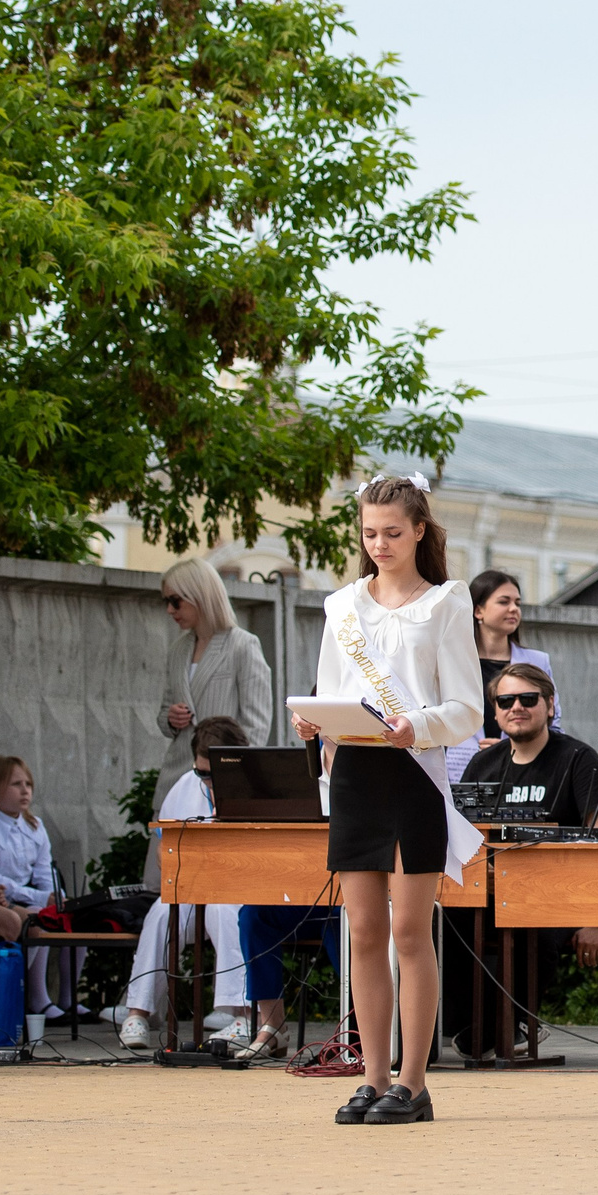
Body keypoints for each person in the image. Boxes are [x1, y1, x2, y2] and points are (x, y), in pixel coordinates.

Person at [289, 473, 483, 1124]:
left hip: (413, 773)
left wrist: (417, 725)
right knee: (364, 930)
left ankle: (414, 1080)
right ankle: (371, 1077)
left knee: (408, 929)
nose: (380, 543)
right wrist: (311, 722)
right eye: (370, 532)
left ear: (420, 530)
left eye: (393, 532)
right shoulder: (342, 607)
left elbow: (466, 708)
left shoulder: (448, 603)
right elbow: (329, 686)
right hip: (355, 776)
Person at [450, 663, 598, 1055]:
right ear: (494, 711)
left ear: (550, 704)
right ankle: (468, 1024)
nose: (517, 707)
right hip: (488, 892)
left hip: (561, 896)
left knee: (529, 924)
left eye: (529, 699)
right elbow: (460, 840)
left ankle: (512, 1023)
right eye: (505, 700)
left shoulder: (579, 759)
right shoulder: (482, 766)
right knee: (441, 921)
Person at [145, 556, 275, 1038]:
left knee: (224, 895)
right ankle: (147, 1005)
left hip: (225, 783)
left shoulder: (244, 646)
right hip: (179, 776)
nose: (170, 610)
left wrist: (240, 784)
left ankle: (234, 1006)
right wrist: (171, 719)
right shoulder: (179, 649)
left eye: (175, 601)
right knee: (168, 892)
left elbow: (257, 723)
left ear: (200, 596)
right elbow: (162, 713)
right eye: (166, 602)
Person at [119, 714, 244, 1051]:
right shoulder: (185, 785)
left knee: (225, 911)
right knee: (162, 911)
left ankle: (240, 1013)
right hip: (195, 886)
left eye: (213, 774)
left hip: (239, 891)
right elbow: (165, 847)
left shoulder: (253, 785)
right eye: (201, 772)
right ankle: (139, 1012)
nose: (205, 780)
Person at [0, 755, 62, 1024]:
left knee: (57, 916)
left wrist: (55, 896)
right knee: (33, 920)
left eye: (28, 783)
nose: (25, 790)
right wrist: (41, 897)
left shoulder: (35, 825)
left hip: (23, 895)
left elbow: (44, 871)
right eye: (16, 784)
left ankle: (40, 998)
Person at [446, 570, 557, 781]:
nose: (514, 609)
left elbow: (554, 722)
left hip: (521, 770)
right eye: (504, 602)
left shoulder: (537, 662)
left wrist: (511, 745)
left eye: (518, 603)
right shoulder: (452, 661)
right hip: (459, 772)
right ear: (478, 611)